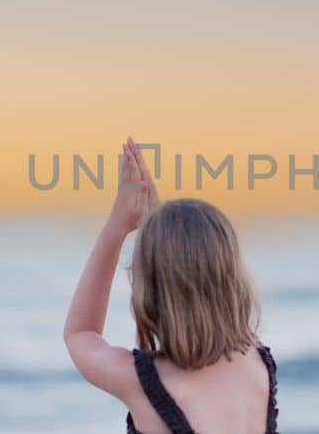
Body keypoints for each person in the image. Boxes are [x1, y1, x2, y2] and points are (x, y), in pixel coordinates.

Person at [63, 138, 279, 434]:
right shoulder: (257, 368)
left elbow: (80, 333)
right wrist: (161, 227)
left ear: (150, 290)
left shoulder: (145, 383)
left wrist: (117, 225)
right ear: (232, 279)